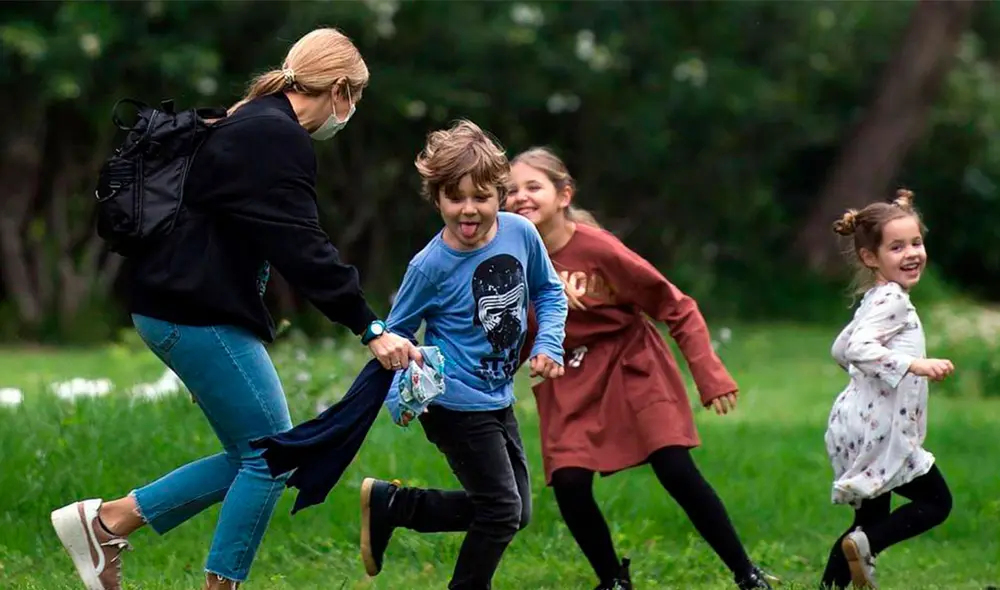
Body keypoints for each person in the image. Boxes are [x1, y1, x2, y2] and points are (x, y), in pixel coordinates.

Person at [49, 28, 419, 590]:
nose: (351, 113)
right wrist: (369, 326)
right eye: (356, 98)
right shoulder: (275, 136)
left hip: (176, 308)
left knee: (254, 453)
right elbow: (303, 247)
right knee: (272, 457)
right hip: (190, 313)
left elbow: (261, 239)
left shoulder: (252, 119)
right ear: (340, 89)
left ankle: (107, 523)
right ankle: (204, 577)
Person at [504, 147, 777, 590]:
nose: (520, 197)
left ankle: (746, 573)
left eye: (533, 187)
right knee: (570, 482)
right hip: (571, 376)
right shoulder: (511, 259)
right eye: (510, 191)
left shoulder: (598, 249)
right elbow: (513, 333)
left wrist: (708, 374)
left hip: (633, 363)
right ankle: (613, 580)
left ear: (563, 194)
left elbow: (676, 305)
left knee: (674, 467)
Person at [356, 121, 568, 590]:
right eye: (456, 198)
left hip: (497, 394)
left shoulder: (521, 234)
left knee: (516, 511)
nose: (469, 210)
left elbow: (550, 294)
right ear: (437, 199)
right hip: (452, 402)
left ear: (500, 195)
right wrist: (402, 397)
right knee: (500, 512)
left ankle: (394, 507)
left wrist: (549, 344)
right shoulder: (429, 266)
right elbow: (395, 334)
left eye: (482, 197)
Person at [820, 189, 954, 590]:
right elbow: (858, 348)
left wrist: (868, 374)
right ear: (870, 257)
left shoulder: (876, 297)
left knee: (866, 525)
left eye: (916, 242)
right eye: (897, 247)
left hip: (856, 424)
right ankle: (868, 544)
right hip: (882, 432)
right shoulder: (892, 300)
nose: (912, 252)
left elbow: (841, 348)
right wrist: (913, 364)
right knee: (935, 502)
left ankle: (834, 582)